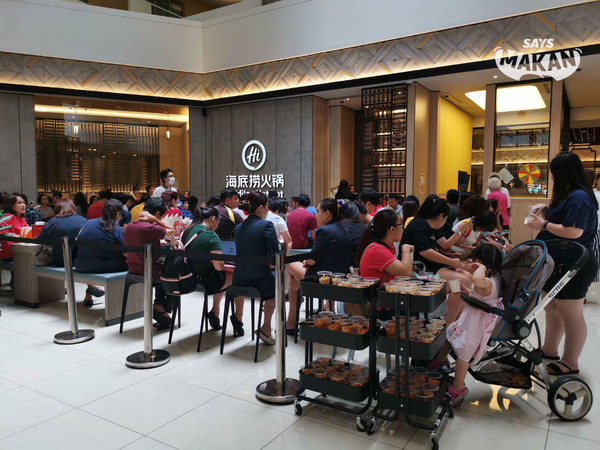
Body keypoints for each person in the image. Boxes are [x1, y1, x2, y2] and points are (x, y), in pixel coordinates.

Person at [526, 152, 599, 375]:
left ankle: (570, 362)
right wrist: (546, 210)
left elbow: (574, 231)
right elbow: (563, 218)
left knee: (571, 313)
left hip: (575, 264)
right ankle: (549, 350)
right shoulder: (570, 195)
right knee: (553, 308)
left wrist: (544, 223)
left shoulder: (579, 197)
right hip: (559, 261)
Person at [432, 244, 504, 404]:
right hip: (470, 318)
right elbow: (473, 288)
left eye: (475, 262)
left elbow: (477, 280)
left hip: (477, 324)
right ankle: (441, 359)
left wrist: (481, 267)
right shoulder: (483, 280)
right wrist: (461, 288)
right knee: (450, 333)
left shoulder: (487, 281)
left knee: (464, 353)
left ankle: (458, 387)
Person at [400, 195, 470, 324]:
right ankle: (446, 326)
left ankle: (456, 324)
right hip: (421, 270)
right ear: (441, 216)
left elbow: (432, 250)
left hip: (430, 267)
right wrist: (451, 261)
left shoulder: (426, 226)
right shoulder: (419, 224)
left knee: (466, 276)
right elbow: (426, 252)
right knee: (461, 283)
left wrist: (451, 258)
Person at [287, 198, 354, 332]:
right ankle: (327, 305)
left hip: (322, 279)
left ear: (327, 213)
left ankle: (291, 323)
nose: (315, 215)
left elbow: (312, 259)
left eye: (318, 212)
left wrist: (306, 262)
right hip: (341, 277)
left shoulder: (325, 231)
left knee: (291, 264)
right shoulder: (343, 229)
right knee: (295, 283)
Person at [36, 199, 103, 307]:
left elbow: (39, 240)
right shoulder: (83, 220)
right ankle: (90, 292)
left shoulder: (53, 222)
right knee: (80, 252)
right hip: (81, 261)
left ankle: (91, 288)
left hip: (61, 261)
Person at [233, 191, 280, 343]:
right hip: (259, 279)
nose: (267, 210)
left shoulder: (239, 228)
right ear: (260, 208)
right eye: (267, 207)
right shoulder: (267, 225)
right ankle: (266, 328)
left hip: (239, 279)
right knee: (275, 292)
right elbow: (275, 255)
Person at [124, 197, 177, 329]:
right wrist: (155, 220)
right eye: (162, 216)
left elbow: (141, 243)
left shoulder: (130, 226)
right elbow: (173, 231)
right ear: (158, 213)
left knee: (163, 269)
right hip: (150, 271)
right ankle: (161, 307)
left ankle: (159, 306)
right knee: (175, 276)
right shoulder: (151, 226)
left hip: (133, 269)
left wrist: (160, 242)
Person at [182, 206, 233, 331]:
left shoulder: (188, 231)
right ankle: (238, 320)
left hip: (189, 278)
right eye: (218, 221)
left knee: (222, 276)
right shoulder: (211, 236)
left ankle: (215, 312)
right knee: (236, 277)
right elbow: (219, 267)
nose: (218, 224)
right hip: (205, 280)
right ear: (213, 219)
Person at [74, 200, 129, 307]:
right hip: (101, 266)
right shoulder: (116, 230)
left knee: (93, 254)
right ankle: (120, 305)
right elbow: (128, 252)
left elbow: (78, 240)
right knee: (131, 264)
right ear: (118, 214)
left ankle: (90, 291)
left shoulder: (89, 223)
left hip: (81, 265)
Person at [357, 209, 414, 284]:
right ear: (392, 229)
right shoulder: (378, 250)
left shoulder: (386, 247)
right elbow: (406, 273)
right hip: (375, 295)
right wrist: (406, 248)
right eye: (401, 225)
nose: (403, 229)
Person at [0, 194, 27, 260]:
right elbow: (2, 234)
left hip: (21, 249)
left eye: (24, 203)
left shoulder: (21, 218)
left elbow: (27, 231)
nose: (23, 205)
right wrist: (18, 236)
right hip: (10, 253)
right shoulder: (7, 217)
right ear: (11, 206)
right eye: (19, 203)